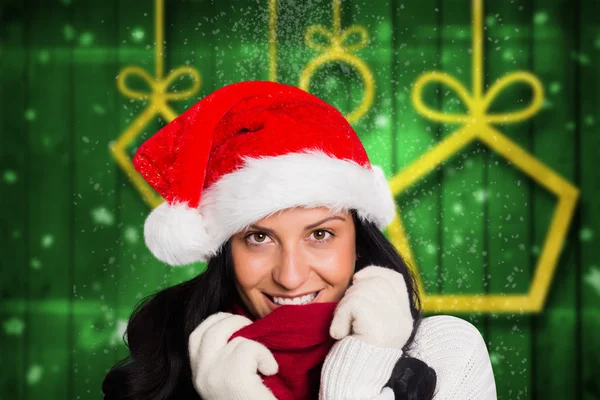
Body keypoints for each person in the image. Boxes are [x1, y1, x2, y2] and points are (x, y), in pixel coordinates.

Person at [102, 81, 497, 400]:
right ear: (226, 251)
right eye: (258, 237)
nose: (290, 277)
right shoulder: (167, 361)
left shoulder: (445, 351)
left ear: (358, 240)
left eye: (321, 234)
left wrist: (365, 360)